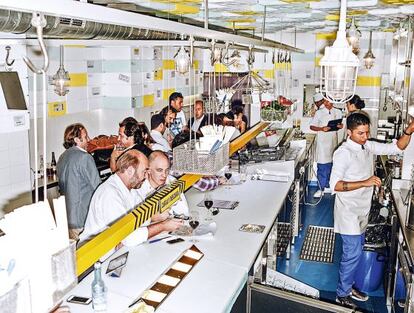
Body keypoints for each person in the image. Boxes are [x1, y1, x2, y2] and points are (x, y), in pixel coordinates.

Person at [330, 112, 414, 308]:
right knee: (352, 254)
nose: (365, 136)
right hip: (348, 212)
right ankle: (341, 295)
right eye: (360, 133)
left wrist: (409, 130)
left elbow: (398, 147)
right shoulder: (343, 153)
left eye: (367, 132)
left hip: (362, 210)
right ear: (349, 132)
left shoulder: (366, 145)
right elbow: (335, 185)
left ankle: (348, 286)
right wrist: (365, 182)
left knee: (357, 252)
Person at [80, 150, 183, 246]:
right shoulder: (109, 193)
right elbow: (128, 238)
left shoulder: (132, 189)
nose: (146, 176)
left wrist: (155, 217)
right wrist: (162, 226)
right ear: (130, 171)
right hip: (94, 256)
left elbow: (141, 219)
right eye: (144, 172)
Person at [56, 123, 101, 240]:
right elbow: (98, 188)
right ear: (76, 139)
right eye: (86, 137)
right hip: (83, 217)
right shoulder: (84, 157)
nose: (89, 140)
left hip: (67, 218)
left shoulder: (62, 158)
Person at [137, 151, 189, 215]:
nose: (164, 175)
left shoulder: (171, 181)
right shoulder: (139, 188)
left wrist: (170, 197)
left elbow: (185, 212)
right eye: (159, 170)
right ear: (149, 170)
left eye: (167, 170)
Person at [310, 99, 343, 198]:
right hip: (322, 142)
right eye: (327, 102)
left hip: (333, 141)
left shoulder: (338, 112)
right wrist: (321, 128)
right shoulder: (319, 113)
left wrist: (340, 126)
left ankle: (330, 186)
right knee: (322, 166)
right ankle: (321, 188)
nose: (329, 104)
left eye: (330, 101)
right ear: (324, 102)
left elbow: (339, 125)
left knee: (332, 165)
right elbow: (312, 126)